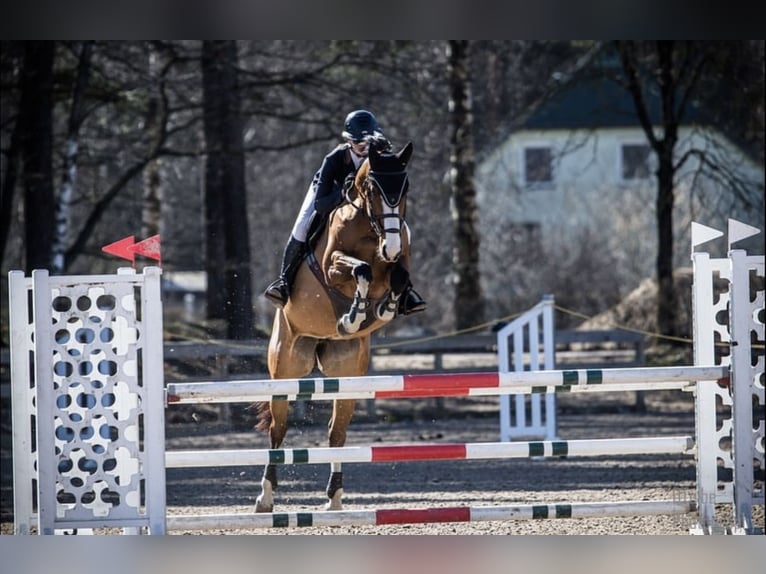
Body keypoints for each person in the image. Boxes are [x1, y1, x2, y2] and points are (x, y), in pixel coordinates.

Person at [263, 109, 426, 315]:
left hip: (366, 208)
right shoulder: (335, 158)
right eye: (360, 144)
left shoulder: (377, 153)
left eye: (368, 144)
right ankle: (284, 283)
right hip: (329, 195)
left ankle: (405, 291)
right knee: (303, 226)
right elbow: (321, 204)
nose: (365, 149)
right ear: (349, 141)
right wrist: (343, 191)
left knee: (403, 231)